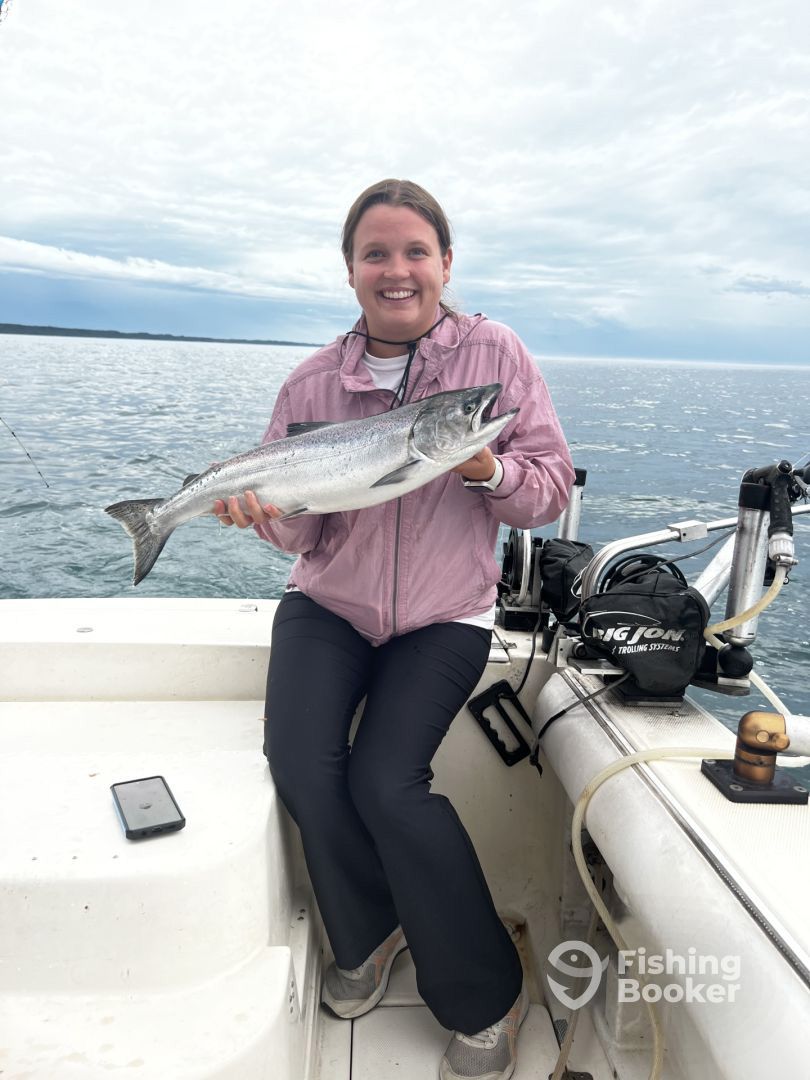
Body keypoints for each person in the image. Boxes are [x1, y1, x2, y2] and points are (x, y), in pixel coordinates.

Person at [214, 179, 574, 1080]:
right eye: (376, 253)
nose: (397, 270)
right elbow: (305, 539)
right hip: (329, 605)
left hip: (445, 615)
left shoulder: (494, 355)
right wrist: (266, 515)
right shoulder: (311, 383)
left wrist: (487, 468)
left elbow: (546, 488)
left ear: (446, 264)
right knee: (301, 763)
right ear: (350, 271)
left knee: (387, 782)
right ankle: (369, 932)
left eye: (416, 251)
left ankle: (486, 996)